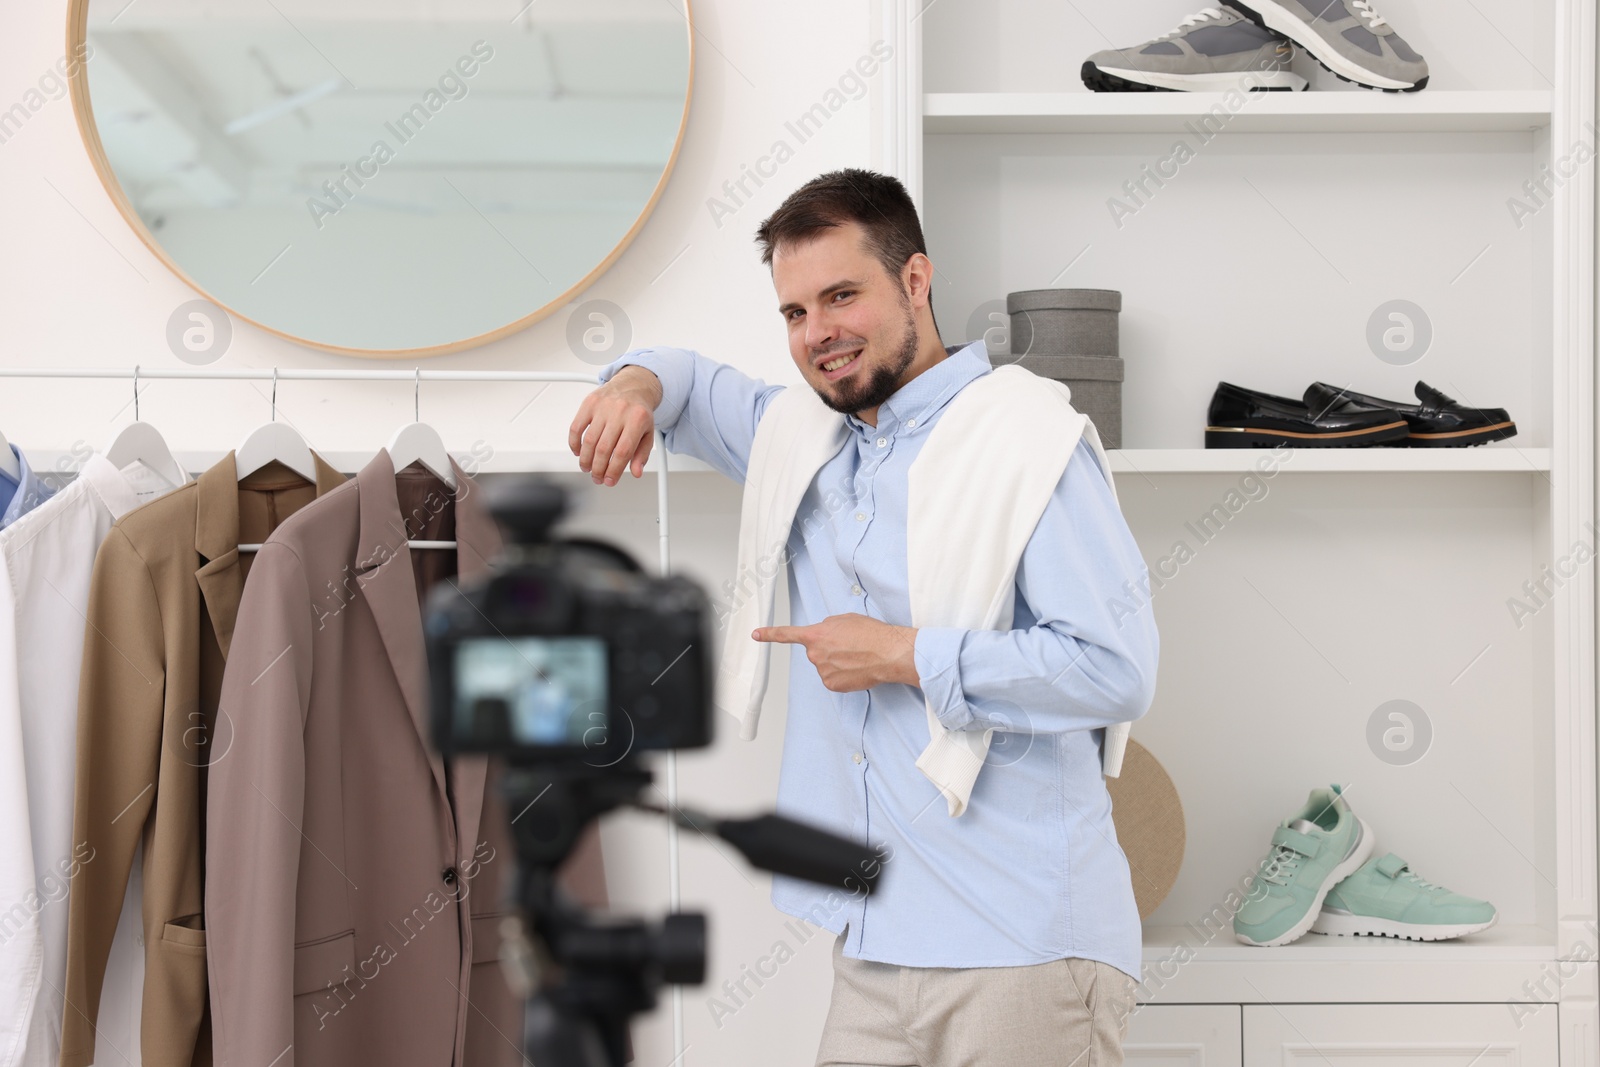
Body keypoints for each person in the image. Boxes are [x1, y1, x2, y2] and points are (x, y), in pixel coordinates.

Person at [569, 167, 1157, 1067]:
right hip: (874, 947)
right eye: (795, 312)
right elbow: (687, 378)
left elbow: (1114, 667)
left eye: (842, 295)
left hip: (1025, 949)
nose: (818, 334)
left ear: (915, 281)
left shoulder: (1027, 441)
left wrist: (906, 654)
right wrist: (634, 386)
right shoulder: (799, 436)